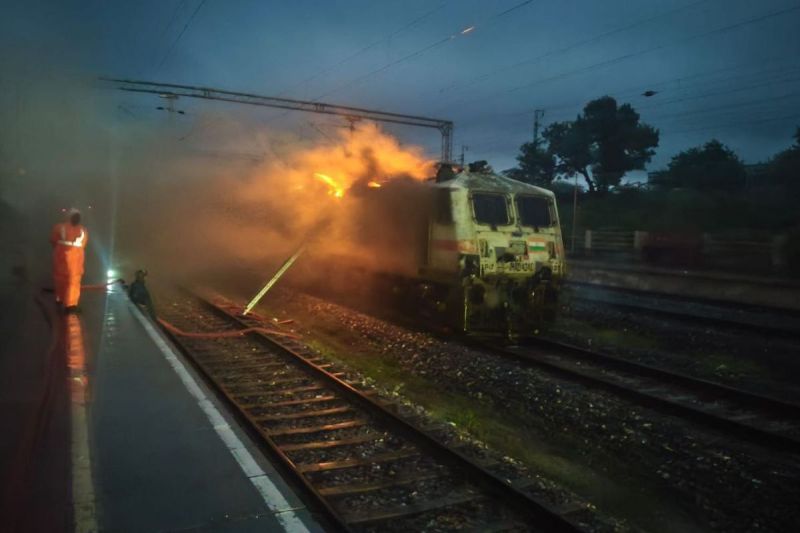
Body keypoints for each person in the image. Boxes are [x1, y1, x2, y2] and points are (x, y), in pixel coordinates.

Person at [50, 208, 88, 312]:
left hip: (62, 256)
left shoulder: (59, 227)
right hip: (75, 259)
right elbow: (83, 244)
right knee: (73, 281)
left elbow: (53, 240)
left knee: (61, 279)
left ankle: (60, 299)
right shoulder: (82, 230)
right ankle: (70, 305)